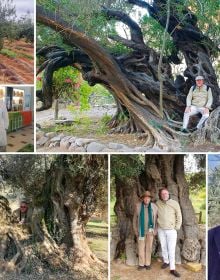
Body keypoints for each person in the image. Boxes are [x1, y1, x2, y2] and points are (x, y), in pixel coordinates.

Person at [156, 188, 182, 278]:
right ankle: (166, 262)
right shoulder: (157, 203)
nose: (164, 195)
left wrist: (177, 227)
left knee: (171, 249)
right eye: (162, 194)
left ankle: (172, 268)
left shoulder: (174, 203)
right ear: (160, 195)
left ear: (168, 194)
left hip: (171, 230)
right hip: (161, 229)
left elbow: (179, 215)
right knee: (163, 246)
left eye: (166, 193)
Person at [133, 190, 158, 270]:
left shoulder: (154, 207)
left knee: (149, 248)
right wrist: (135, 230)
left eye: (148, 198)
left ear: (150, 199)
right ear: (143, 199)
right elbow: (134, 220)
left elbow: (157, 220)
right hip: (141, 232)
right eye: (145, 198)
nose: (146, 199)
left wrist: (156, 230)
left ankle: (147, 263)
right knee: (141, 248)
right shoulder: (138, 206)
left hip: (150, 232)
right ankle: (141, 264)